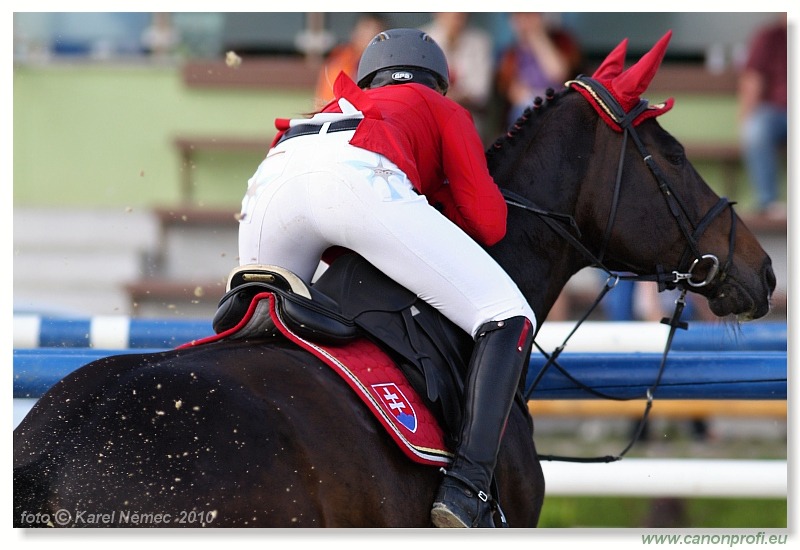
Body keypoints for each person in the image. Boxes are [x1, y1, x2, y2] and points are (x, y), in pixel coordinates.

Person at [238, 28, 536, 528]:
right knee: (507, 316)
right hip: (356, 173)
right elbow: (490, 222)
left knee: (248, 329)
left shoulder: (332, 105)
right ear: (437, 80)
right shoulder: (440, 106)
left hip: (274, 175)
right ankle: (468, 488)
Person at [737, 13, 787, 217]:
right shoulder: (769, 37)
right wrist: (745, 119)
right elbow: (752, 79)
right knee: (755, 129)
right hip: (775, 112)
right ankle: (769, 203)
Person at [495, 12, 582, 126]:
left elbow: (558, 74)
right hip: (526, 112)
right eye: (518, 16)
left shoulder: (562, 41)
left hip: (558, 107)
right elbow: (514, 93)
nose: (525, 20)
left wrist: (537, 37)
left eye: (531, 15)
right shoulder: (510, 55)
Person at [422, 13, 494, 143]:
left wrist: (447, 96)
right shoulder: (422, 38)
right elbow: (420, 88)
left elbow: (480, 92)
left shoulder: (480, 42)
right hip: (430, 113)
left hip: (467, 113)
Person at [312, 13, 387, 109]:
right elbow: (324, 104)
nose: (369, 40)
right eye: (364, 34)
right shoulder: (338, 63)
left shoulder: (389, 65)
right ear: (354, 34)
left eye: (375, 35)